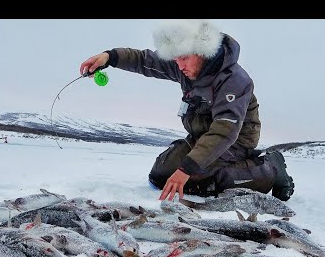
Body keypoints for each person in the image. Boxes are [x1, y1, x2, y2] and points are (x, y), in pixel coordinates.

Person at [79, 19, 294, 202]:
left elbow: (224, 131)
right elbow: (146, 61)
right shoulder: (188, 67)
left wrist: (187, 170)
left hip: (235, 141)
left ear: (202, 51)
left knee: (198, 180)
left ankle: (270, 170)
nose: (179, 65)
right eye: (175, 58)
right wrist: (109, 57)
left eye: (183, 58)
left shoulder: (234, 80)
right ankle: (198, 164)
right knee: (161, 173)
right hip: (202, 136)